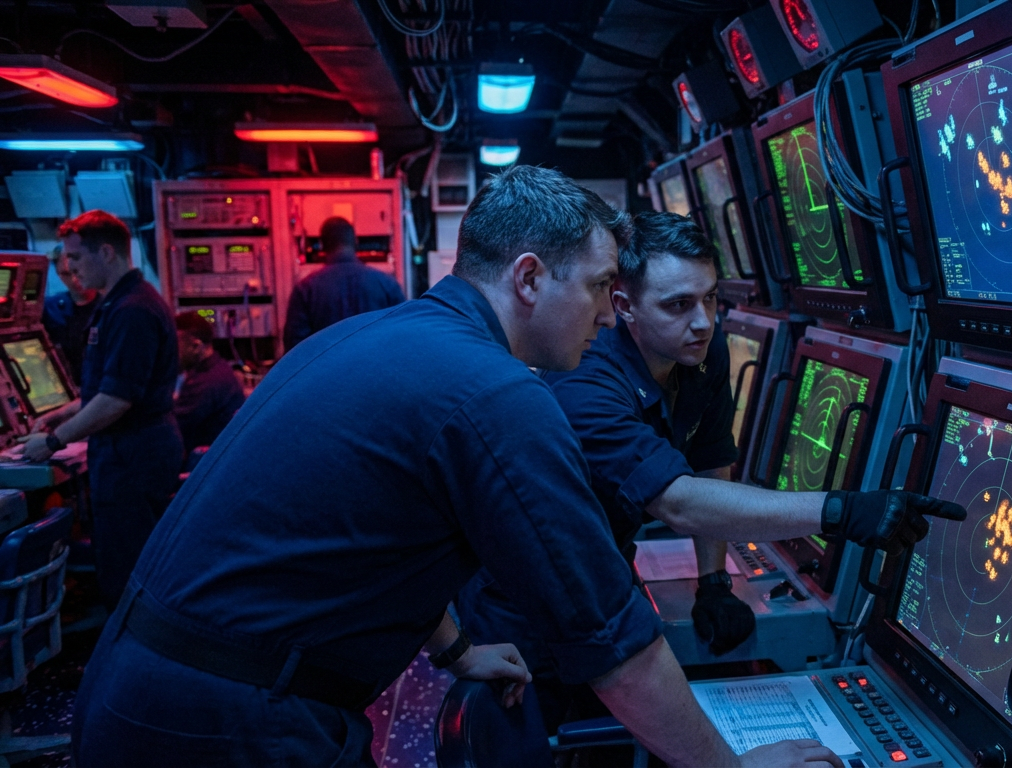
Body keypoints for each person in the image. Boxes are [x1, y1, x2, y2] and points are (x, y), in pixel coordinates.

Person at [70, 166, 860, 767]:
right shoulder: (496, 397)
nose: (602, 311)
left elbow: (377, 543)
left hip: (143, 684)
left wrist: (453, 649)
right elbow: (618, 650)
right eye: (595, 287)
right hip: (224, 721)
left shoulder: (379, 337)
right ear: (526, 278)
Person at [458, 210, 968, 731]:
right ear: (624, 306)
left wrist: (714, 581)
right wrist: (841, 511)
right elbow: (677, 501)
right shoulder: (585, 382)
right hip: (527, 604)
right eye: (678, 305)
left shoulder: (701, 350)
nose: (703, 321)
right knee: (554, 732)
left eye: (710, 297)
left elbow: (710, 458)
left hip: (602, 566)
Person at [19, 210, 183, 612]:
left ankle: (126, 664)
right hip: (132, 452)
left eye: (75, 258)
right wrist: (67, 412)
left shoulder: (131, 310)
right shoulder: (122, 304)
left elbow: (118, 400)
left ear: (106, 253)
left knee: (128, 571)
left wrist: (55, 440)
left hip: (132, 456)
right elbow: (108, 389)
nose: (70, 269)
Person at [282, 216, 405, 351]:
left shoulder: (306, 289)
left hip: (327, 371)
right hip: (376, 369)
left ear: (322, 245)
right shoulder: (386, 284)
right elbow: (402, 335)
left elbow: (295, 347)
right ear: (356, 242)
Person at [172, 311, 246, 456]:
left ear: (196, 346)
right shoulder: (218, 368)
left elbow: (174, 426)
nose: (171, 354)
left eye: (176, 347)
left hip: (207, 461)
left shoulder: (206, 382)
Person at [41, 245, 100, 381]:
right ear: (57, 272)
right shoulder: (49, 308)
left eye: (77, 271)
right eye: (66, 274)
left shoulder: (111, 306)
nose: (74, 280)